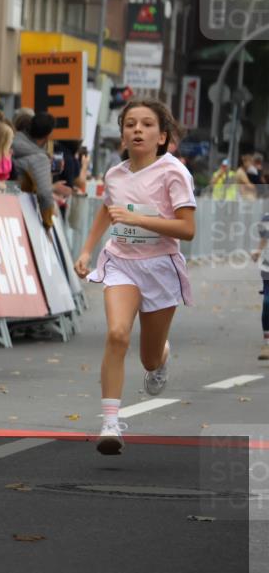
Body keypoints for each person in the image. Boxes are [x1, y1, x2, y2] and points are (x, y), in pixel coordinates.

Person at [74, 99, 195, 456]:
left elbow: (187, 229)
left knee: (148, 358)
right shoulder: (115, 174)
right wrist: (86, 249)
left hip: (160, 267)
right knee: (116, 334)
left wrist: (141, 220)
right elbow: (107, 210)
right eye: (130, 124)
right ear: (123, 134)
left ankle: (161, 356)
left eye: (146, 124)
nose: (137, 130)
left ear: (162, 136)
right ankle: (110, 422)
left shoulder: (174, 173)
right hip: (122, 261)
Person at [11, 109, 58, 227]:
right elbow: (44, 194)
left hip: (1, 204)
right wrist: (49, 223)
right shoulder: (39, 158)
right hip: (21, 213)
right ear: (48, 136)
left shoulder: (12, 140)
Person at [253, 211, 269, 360]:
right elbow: (264, 238)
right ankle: (267, 344)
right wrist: (258, 251)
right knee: (267, 302)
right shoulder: (266, 217)